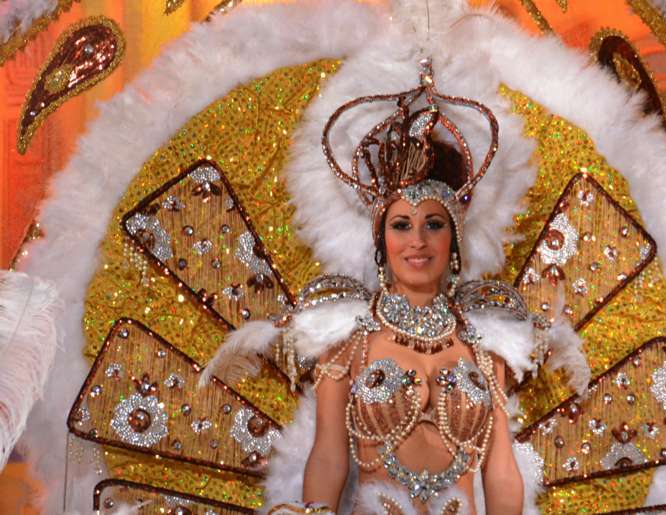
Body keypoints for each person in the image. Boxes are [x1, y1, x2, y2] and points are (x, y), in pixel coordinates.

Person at [202, 60, 588, 514]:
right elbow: (329, 457)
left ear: (454, 239)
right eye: (402, 225)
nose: (417, 241)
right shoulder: (348, 340)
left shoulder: (487, 344)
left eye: (434, 224)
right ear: (382, 241)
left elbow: (500, 469)